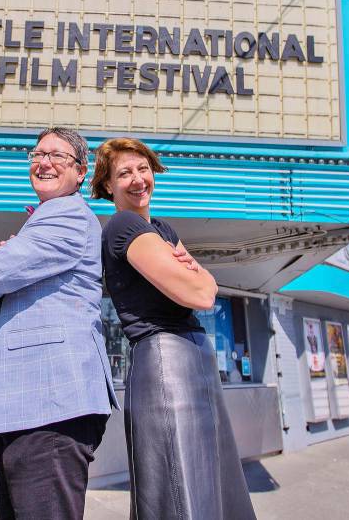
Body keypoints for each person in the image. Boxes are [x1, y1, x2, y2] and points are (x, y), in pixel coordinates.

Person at [90, 137, 256, 520]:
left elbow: (209, 286)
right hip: (166, 359)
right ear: (108, 185)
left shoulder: (161, 226)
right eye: (124, 173)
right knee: (180, 485)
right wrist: (193, 275)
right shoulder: (123, 224)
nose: (137, 179)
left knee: (211, 480)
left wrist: (197, 277)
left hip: (192, 355)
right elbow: (199, 293)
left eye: (143, 168)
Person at [0, 127, 118, 520]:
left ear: (81, 172)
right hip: (34, 405)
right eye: (37, 154)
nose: (44, 162)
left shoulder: (65, 214)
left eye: (57, 156)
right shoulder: (47, 219)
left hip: (51, 405)